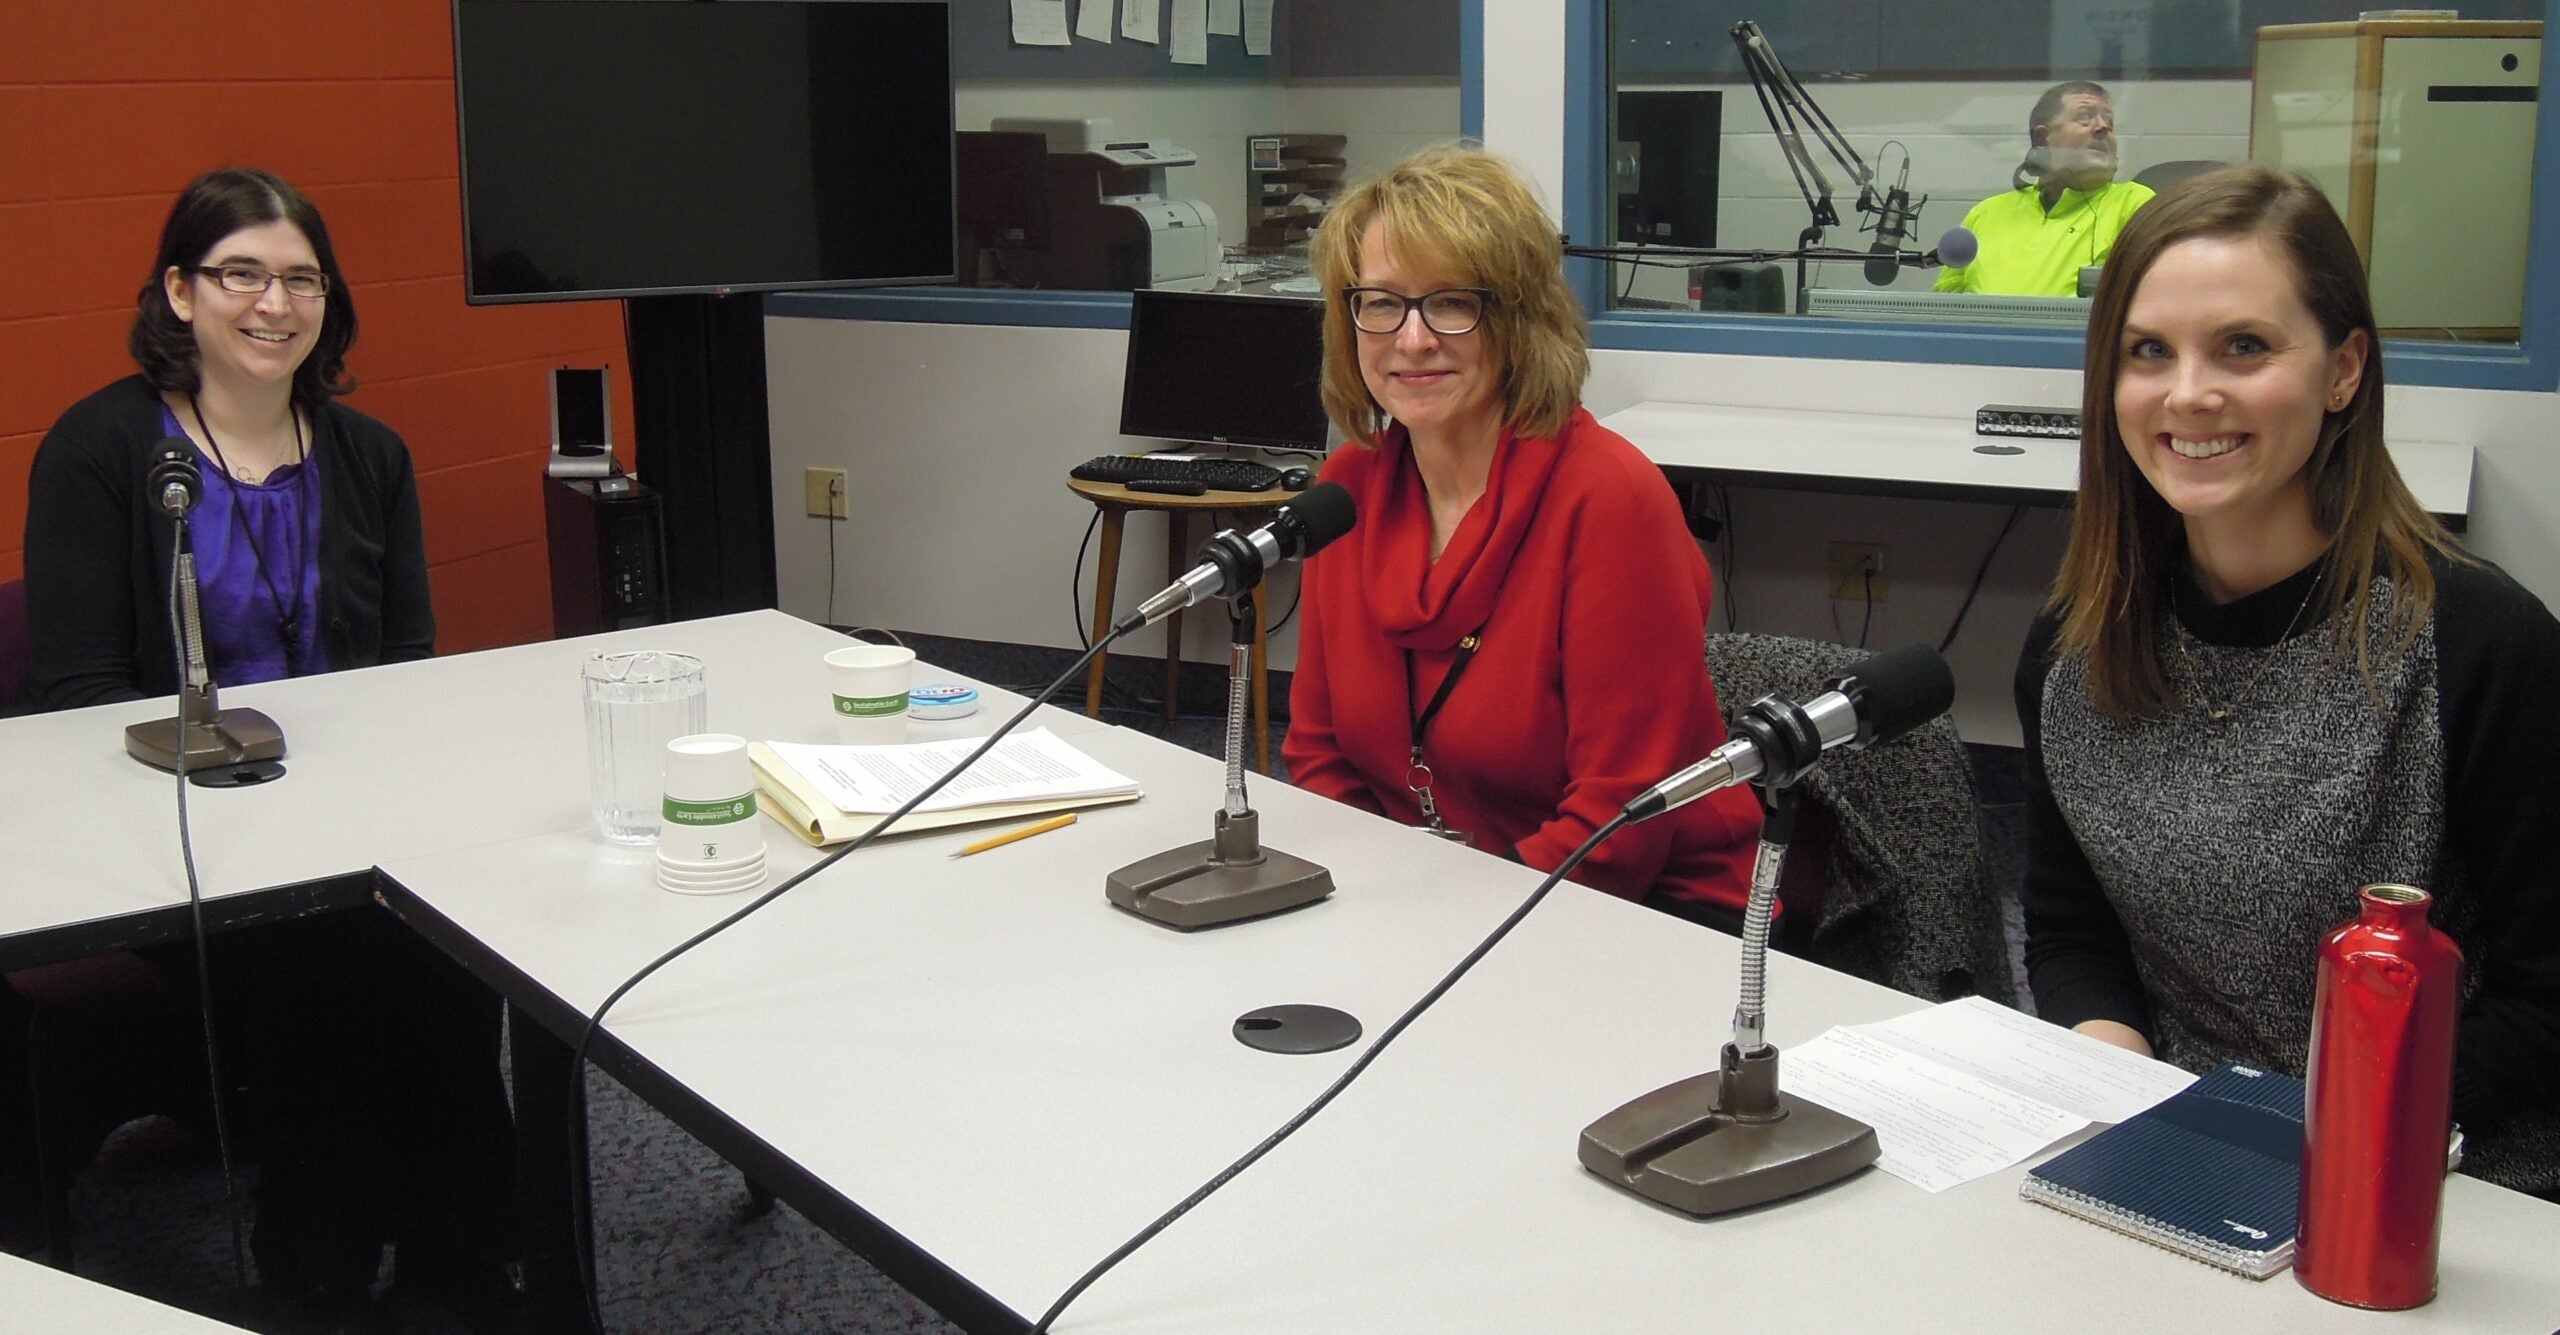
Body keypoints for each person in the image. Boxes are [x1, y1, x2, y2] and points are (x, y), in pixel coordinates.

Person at [11, 168, 516, 1327]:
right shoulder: (103, 451)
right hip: (169, 828)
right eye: (240, 274)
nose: (274, 304)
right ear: (179, 292)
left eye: (301, 279)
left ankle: (456, 1271)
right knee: (344, 961)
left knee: (453, 941)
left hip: (348, 820)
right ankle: (321, 1267)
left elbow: (406, 671)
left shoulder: (370, 456)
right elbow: (79, 694)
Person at [2017, 164, 2560, 1197]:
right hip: (2181, 1141)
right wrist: (2117, 1086)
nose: (2188, 393)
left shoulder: (2480, 647)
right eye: (2147, 351)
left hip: (2438, 1172)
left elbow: (2547, 1003)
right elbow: (2071, 931)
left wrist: (2316, 1131)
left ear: (2343, 370)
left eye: (2244, 347)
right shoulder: (2075, 644)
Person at [1283, 144, 1761, 925]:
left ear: (1518, 319)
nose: (1413, 339)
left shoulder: (1608, 499)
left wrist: (1439, 926)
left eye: (1451, 302)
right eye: (1382, 303)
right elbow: (1318, 754)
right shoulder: (1349, 488)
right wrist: (1367, 906)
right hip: (1425, 901)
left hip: (1645, 911)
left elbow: (1617, 824)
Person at [1935, 81, 2154, 297]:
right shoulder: (1986, 214)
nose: (2102, 127)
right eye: (2085, 118)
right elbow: (1944, 307)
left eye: (2109, 122)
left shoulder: (2134, 204)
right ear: (2042, 139)